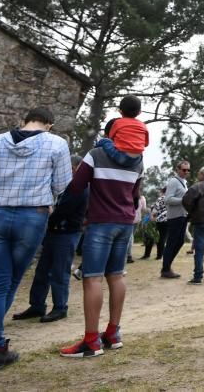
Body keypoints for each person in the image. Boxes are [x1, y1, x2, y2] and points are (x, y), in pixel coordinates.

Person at [0, 107, 71, 372]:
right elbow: (63, 184)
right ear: (50, 125)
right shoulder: (56, 144)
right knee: (8, 283)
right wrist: (49, 199)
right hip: (32, 217)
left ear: (23, 121)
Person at [59, 124, 144, 358]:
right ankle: (113, 333)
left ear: (109, 135)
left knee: (92, 278)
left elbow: (76, 186)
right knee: (116, 276)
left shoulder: (96, 154)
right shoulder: (138, 160)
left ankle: (91, 341)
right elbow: (135, 195)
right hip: (125, 223)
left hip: (101, 222)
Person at [12, 154, 88, 324]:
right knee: (42, 270)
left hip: (66, 232)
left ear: (74, 168)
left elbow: (63, 210)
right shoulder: (62, 185)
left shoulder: (78, 187)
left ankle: (60, 307)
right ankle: (37, 305)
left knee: (59, 272)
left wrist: (45, 219)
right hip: (54, 231)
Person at [94, 95, 149, 167]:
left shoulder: (118, 123)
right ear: (139, 112)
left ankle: (95, 152)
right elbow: (146, 144)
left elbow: (111, 138)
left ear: (120, 111)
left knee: (104, 141)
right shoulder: (143, 126)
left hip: (121, 157)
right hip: (136, 160)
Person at [160, 160, 190, 279]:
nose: (186, 172)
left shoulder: (184, 182)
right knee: (172, 243)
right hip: (175, 217)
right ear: (177, 169)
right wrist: (183, 200)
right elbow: (167, 199)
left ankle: (167, 267)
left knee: (180, 241)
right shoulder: (173, 181)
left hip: (182, 216)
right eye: (184, 170)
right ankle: (166, 269)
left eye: (188, 170)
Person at [148, 188, 168, 260]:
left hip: (161, 220)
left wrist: (152, 216)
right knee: (165, 237)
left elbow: (155, 210)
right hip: (170, 220)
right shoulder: (171, 197)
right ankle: (163, 254)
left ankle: (159, 255)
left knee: (160, 238)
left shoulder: (160, 199)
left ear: (163, 192)